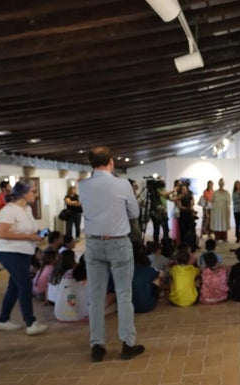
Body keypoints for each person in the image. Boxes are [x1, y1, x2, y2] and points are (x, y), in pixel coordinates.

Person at [79, 146, 144, 362]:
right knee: (124, 294)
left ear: (91, 163)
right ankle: (127, 343)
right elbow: (134, 212)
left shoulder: (83, 186)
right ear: (111, 162)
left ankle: (97, 346)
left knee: (95, 298)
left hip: (93, 244)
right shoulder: (122, 184)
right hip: (118, 242)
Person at [0, 181, 48, 335]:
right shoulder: (9, 210)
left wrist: (37, 237)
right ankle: (30, 322)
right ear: (24, 193)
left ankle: (3, 320)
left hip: (25, 252)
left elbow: (29, 230)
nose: (36, 195)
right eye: (33, 191)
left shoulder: (27, 209)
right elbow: (1, 234)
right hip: (10, 253)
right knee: (25, 284)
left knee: (14, 286)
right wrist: (28, 236)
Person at [54, 255, 89, 322]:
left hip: (59, 314)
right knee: (111, 298)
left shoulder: (68, 271)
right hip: (78, 315)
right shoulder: (91, 274)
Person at [132, 242, 165, 313]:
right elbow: (162, 274)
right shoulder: (149, 270)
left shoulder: (128, 271)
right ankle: (160, 295)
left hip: (131, 306)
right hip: (148, 305)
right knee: (157, 279)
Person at [175, 183, 196, 248]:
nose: (184, 190)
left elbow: (192, 201)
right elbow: (179, 205)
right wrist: (185, 208)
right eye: (182, 189)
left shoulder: (190, 194)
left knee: (191, 229)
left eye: (185, 188)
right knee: (183, 229)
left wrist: (191, 206)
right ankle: (183, 244)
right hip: (183, 214)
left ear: (187, 189)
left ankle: (192, 244)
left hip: (189, 213)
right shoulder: (179, 195)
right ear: (181, 190)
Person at [210, 178, 230, 242]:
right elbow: (212, 201)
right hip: (217, 211)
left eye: (222, 183)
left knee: (224, 223)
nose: (221, 184)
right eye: (220, 183)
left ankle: (224, 238)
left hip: (224, 211)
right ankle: (217, 238)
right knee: (217, 224)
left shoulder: (227, 192)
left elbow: (229, 202)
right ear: (218, 184)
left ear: (223, 184)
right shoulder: (215, 193)